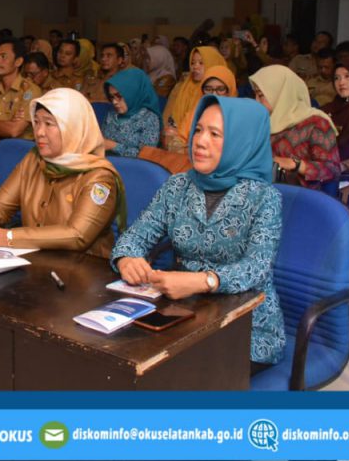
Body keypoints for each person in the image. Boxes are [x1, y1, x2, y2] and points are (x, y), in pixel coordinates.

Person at [111, 96, 285, 368]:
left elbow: (256, 268)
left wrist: (204, 281)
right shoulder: (177, 186)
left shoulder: (264, 198)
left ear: (241, 141)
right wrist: (126, 258)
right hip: (184, 314)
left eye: (215, 134)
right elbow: (136, 235)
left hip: (245, 327)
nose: (200, 141)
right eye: (199, 130)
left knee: (180, 376)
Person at [0, 88, 124, 257]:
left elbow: (77, 234)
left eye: (49, 124)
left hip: (84, 269)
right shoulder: (34, 159)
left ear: (73, 128)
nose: (39, 132)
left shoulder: (99, 176)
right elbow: (0, 204)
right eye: (36, 122)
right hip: (35, 258)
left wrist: (7, 237)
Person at [250, 65, 342, 190]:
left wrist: (295, 164)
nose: (256, 101)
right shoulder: (260, 122)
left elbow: (332, 169)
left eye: (261, 95)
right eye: (255, 94)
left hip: (303, 197)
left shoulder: (315, 123)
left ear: (280, 94)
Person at [163, 46, 228, 152]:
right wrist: (171, 137)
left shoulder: (224, 92)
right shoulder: (182, 87)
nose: (195, 67)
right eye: (193, 63)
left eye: (201, 63)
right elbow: (169, 118)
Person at [101, 68, 162, 157]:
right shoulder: (111, 114)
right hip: (105, 163)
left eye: (119, 96)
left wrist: (114, 146)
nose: (114, 102)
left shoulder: (149, 119)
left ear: (133, 93)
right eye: (112, 97)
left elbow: (146, 156)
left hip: (131, 166)